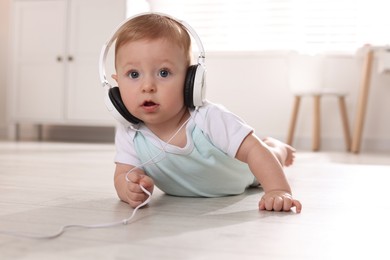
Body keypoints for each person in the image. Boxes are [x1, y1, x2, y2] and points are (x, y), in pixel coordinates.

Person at [109, 13, 302, 213]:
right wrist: (129, 188)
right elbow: (122, 173)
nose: (147, 86)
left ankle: (278, 148)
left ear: (191, 80)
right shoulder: (130, 132)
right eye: (134, 74)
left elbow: (254, 151)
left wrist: (278, 190)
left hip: (244, 174)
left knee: (269, 154)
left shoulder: (209, 118)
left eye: (164, 73)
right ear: (116, 83)